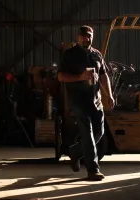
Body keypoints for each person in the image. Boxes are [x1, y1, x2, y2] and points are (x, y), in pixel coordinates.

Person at [58, 25, 114, 181]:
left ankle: (75, 152)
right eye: (83, 36)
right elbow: (61, 76)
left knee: (99, 132)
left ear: (92, 37)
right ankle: (93, 169)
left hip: (96, 101)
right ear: (78, 37)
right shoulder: (69, 55)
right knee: (88, 134)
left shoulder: (97, 55)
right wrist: (80, 77)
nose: (86, 39)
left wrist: (109, 95)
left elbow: (103, 76)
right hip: (79, 100)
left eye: (88, 36)